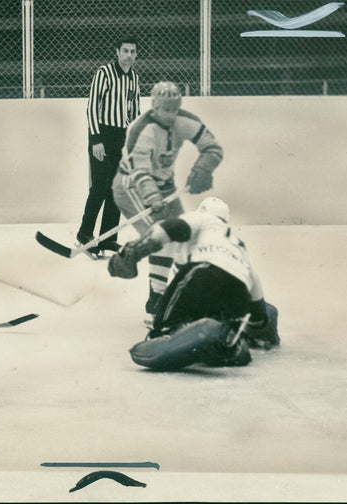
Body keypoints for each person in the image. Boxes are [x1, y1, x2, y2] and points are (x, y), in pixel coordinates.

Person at [107, 197, 279, 370]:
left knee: (168, 319)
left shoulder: (202, 219)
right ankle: (229, 344)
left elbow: (172, 230)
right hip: (239, 287)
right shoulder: (237, 243)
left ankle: (167, 331)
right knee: (214, 317)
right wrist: (260, 322)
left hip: (206, 271)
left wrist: (135, 250)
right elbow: (254, 283)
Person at [112, 80, 224, 326]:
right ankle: (157, 300)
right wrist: (152, 196)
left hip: (166, 189)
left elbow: (213, 148)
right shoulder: (142, 129)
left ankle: (175, 295)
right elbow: (139, 170)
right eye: (165, 109)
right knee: (162, 236)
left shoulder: (185, 121)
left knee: (183, 236)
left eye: (174, 109)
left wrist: (203, 168)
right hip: (131, 186)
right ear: (154, 106)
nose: (170, 115)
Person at [76, 35, 140, 259]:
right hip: (103, 133)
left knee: (117, 189)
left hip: (122, 137)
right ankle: (84, 233)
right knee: (100, 186)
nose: (129, 55)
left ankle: (107, 237)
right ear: (117, 52)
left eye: (133, 52)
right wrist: (96, 140)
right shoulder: (104, 73)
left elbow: (135, 113)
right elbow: (92, 108)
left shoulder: (134, 77)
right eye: (125, 51)